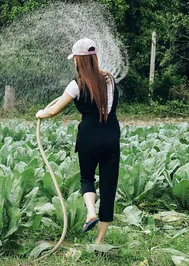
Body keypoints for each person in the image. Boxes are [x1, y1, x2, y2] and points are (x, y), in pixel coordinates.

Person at [36, 38, 120, 245]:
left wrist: (41, 113)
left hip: (89, 136)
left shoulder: (76, 85)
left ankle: (91, 212)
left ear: (79, 61)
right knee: (109, 187)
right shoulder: (109, 79)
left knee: (87, 178)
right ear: (95, 58)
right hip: (111, 135)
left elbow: (54, 110)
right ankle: (99, 242)